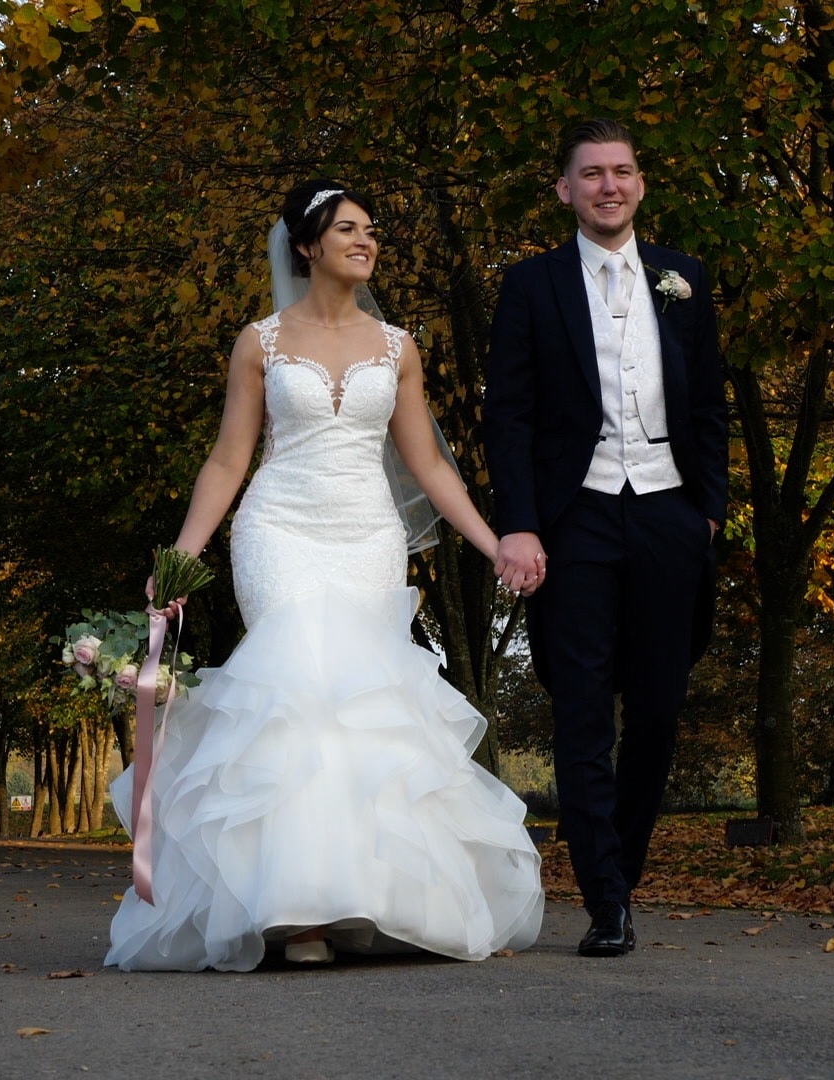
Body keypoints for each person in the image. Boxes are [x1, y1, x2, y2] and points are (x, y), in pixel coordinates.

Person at [104, 180, 546, 972]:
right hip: (279, 531)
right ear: (306, 246)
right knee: (298, 696)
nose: (364, 241)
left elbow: (429, 466)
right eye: (347, 229)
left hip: (369, 534)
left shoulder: (397, 347)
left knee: (359, 709)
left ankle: (366, 900)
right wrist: (181, 556)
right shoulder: (261, 343)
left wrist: (492, 543)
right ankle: (297, 911)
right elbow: (229, 457)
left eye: (370, 230)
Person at [483, 118, 728, 958]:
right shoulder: (531, 285)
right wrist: (517, 521)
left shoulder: (683, 278)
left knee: (658, 707)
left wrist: (710, 511)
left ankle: (622, 861)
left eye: (621, 171)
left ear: (641, 183)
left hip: (668, 511)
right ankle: (605, 897)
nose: (608, 186)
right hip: (575, 514)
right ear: (564, 190)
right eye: (591, 174)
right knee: (582, 708)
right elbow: (507, 416)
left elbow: (708, 408)